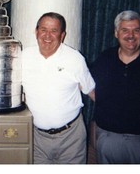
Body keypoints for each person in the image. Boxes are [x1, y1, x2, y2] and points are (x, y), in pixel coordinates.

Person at [91, 10, 140, 164]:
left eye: (136, 30)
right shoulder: (105, 58)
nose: (130, 35)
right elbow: (87, 84)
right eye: (125, 30)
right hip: (109, 139)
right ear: (116, 33)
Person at [22, 12, 95, 164]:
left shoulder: (75, 59)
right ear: (36, 32)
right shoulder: (23, 57)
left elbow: (91, 91)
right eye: (43, 29)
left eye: (54, 31)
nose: (47, 35)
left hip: (71, 137)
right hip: (36, 137)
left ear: (62, 35)